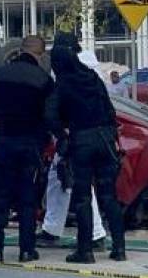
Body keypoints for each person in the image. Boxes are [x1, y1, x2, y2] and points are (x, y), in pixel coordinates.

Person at [47, 32, 126, 263]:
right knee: (109, 196)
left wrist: (62, 134)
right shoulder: (92, 77)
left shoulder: (62, 84)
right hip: (104, 139)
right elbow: (110, 110)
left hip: (81, 141)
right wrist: (110, 134)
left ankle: (85, 251)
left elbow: (50, 116)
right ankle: (119, 249)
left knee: (82, 197)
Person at [0, 35, 55, 263]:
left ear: (20, 50)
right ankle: (26, 249)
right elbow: (49, 115)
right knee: (27, 198)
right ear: (40, 54)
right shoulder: (44, 80)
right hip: (31, 144)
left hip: (4, 140)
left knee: (1, 195)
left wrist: (5, 120)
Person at [38, 48, 109, 250]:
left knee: (73, 183)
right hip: (92, 136)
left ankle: (93, 235)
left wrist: (60, 134)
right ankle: (58, 231)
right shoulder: (92, 78)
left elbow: (55, 112)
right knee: (63, 181)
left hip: (73, 138)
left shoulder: (66, 78)